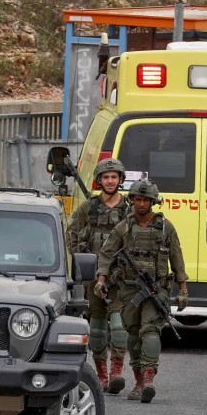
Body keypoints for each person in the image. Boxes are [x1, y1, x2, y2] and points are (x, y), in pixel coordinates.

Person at [96, 179, 188, 403]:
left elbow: (177, 258)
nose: (141, 204)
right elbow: (107, 254)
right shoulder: (124, 227)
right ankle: (138, 381)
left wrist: (183, 289)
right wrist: (101, 280)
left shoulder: (166, 227)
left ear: (153, 201)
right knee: (133, 335)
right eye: (138, 199)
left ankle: (149, 379)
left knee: (150, 331)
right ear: (132, 200)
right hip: (129, 291)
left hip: (157, 289)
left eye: (146, 199)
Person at [66, 158, 132, 394]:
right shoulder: (88, 207)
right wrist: (81, 262)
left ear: (120, 179)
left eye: (114, 177)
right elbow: (71, 233)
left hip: (120, 278)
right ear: (99, 180)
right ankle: (101, 375)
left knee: (119, 325)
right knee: (96, 327)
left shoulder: (129, 209)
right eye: (106, 177)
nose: (110, 181)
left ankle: (116, 373)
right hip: (93, 277)